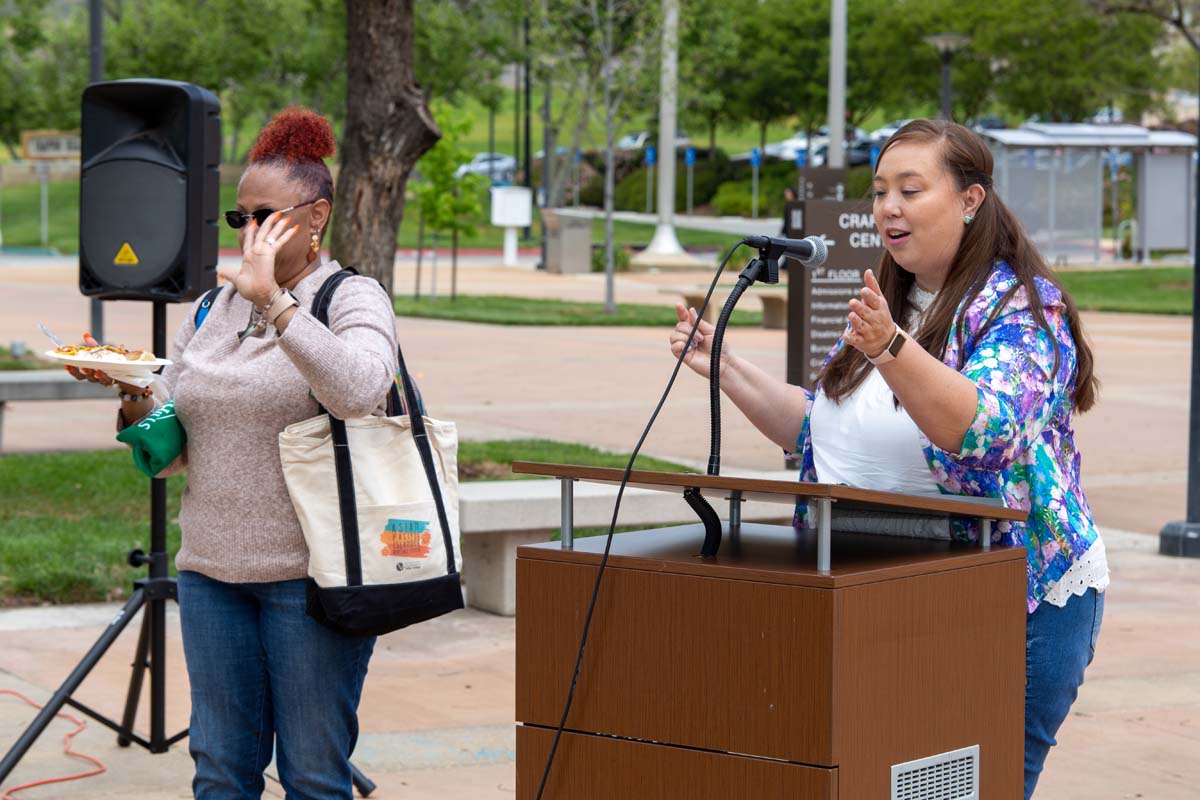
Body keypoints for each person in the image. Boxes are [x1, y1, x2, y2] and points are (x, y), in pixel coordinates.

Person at [669, 119, 1107, 799]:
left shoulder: (1021, 308)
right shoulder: (893, 303)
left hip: (1015, 607)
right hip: (892, 600)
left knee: (974, 787)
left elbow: (988, 430)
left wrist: (892, 350)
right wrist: (725, 365)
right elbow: (820, 430)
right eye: (879, 192)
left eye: (910, 189)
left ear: (970, 199)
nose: (888, 209)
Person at [68, 108, 398, 798]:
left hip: (312, 582)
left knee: (311, 772)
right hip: (212, 573)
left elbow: (360, 391)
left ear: (316, 218)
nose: (247, 233)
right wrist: (130, 392)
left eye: (265, 217)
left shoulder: (350, 296)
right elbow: (173, 449)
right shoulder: (210, 309)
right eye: (238, 217)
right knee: (220, 766)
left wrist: (278, 305)